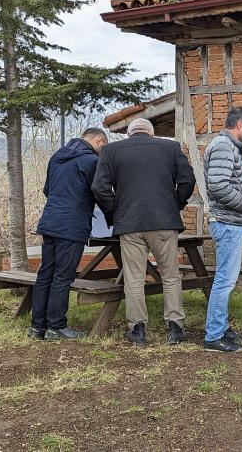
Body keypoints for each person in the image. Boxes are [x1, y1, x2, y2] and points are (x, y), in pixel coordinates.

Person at [92, 118, 195, 347]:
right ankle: (175, 328)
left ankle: (137, 330)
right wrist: (175, 204)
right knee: (170, 275)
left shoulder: (110, 151)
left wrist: (115, 212)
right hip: (164, 221)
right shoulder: (171, 148)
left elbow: (99, 188)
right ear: (151, 133)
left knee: (134, 278)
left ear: (129, 134)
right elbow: (188, 180)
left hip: (130, 223)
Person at [29, 128, 108, 341]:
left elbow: (48, 189)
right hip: (72, 225)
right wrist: (113, 214)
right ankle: (57, 326)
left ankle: (37, 327)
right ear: (99, 140)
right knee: (63, 275)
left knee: (46, 273)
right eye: (104, 147)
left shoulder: (58, 156)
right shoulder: (91, 161)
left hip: (50, 220)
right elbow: (100, 191)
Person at [203, 107, 242, 353]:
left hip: (231, 221)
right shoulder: (224, 146)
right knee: (224, 280)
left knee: (227, 279)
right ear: (239, 125)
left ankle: (221, 328)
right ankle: (213, 335)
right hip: (227, 222)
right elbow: (218, 186)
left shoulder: (230, 147)